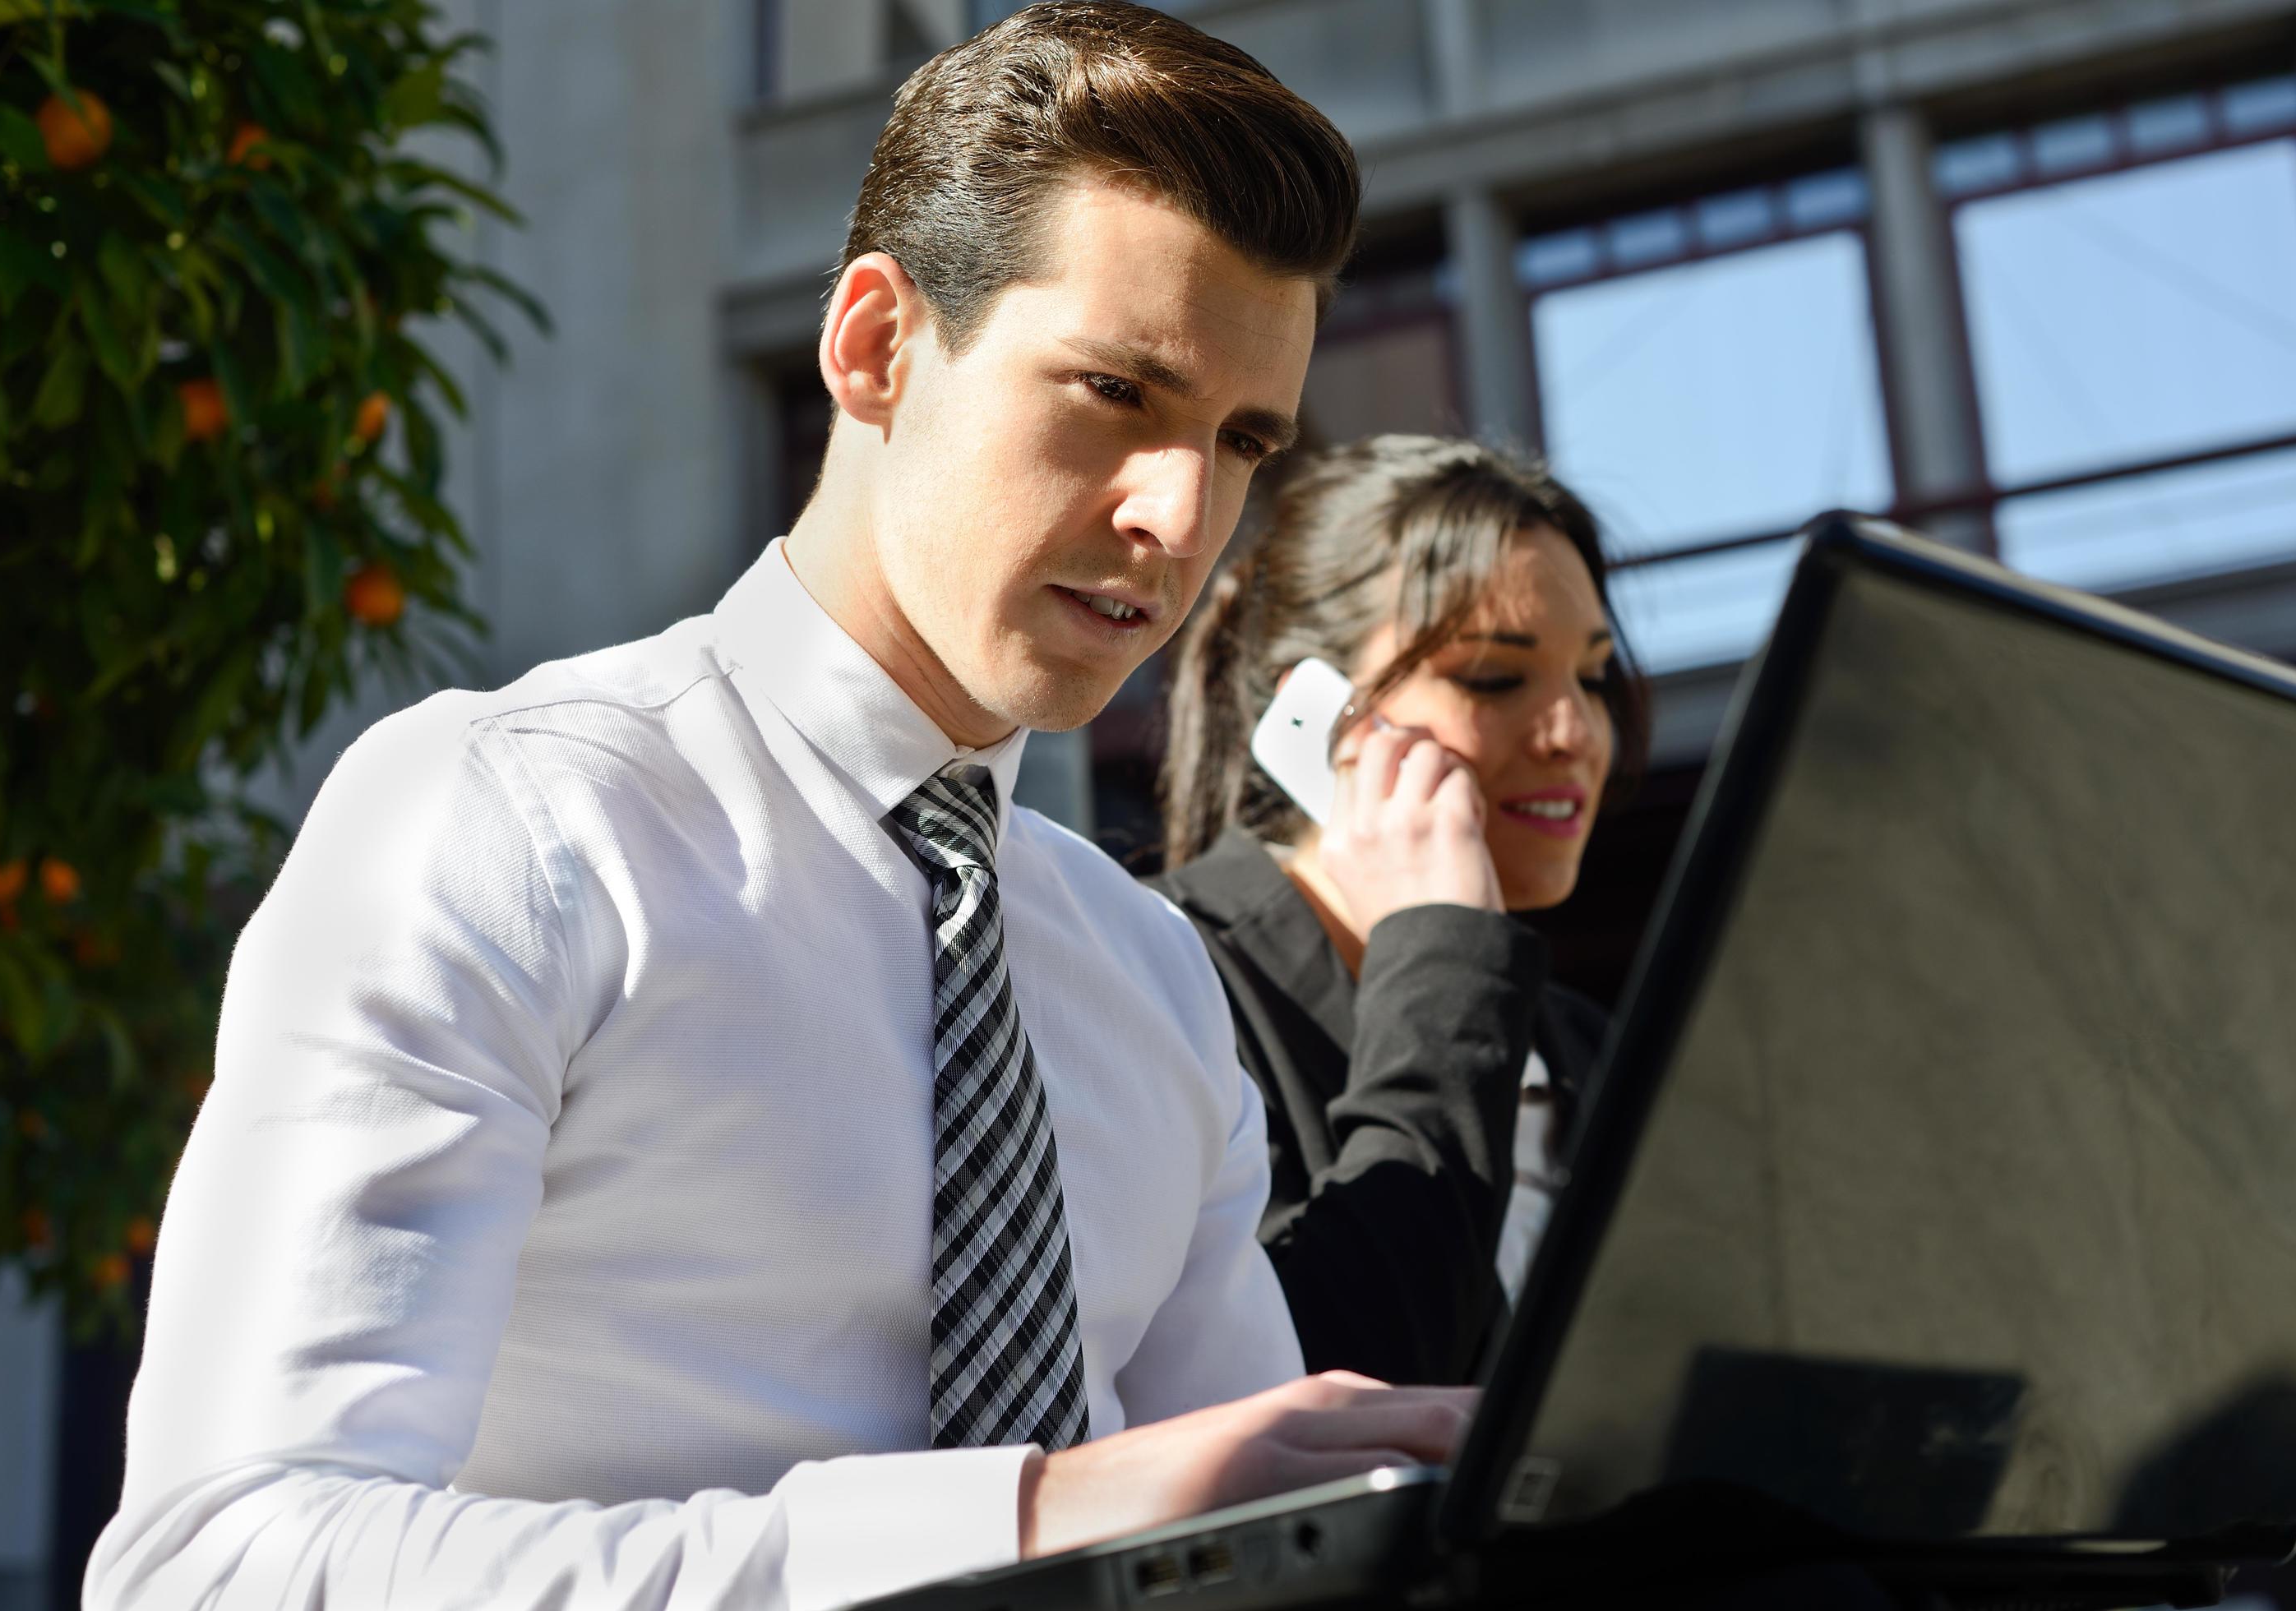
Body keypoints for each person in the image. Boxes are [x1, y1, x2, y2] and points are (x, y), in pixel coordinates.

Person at [85, 9, 1476, 1609]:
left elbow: (1254, 1558)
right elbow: (220, 1563)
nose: (1178, 516)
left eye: (1240, 442)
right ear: (876, 345)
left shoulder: (1153, 985)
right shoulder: (504, 823)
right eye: (1112, 390)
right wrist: (1016, 1517)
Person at [1153, 436, 1647, 1387]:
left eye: (1591, 677)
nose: (1575, 733)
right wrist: (1446, 959)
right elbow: (1330, 1384)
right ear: (1320, 715)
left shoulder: (1585, 1045)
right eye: (1494, 678)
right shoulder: (1164, 976)